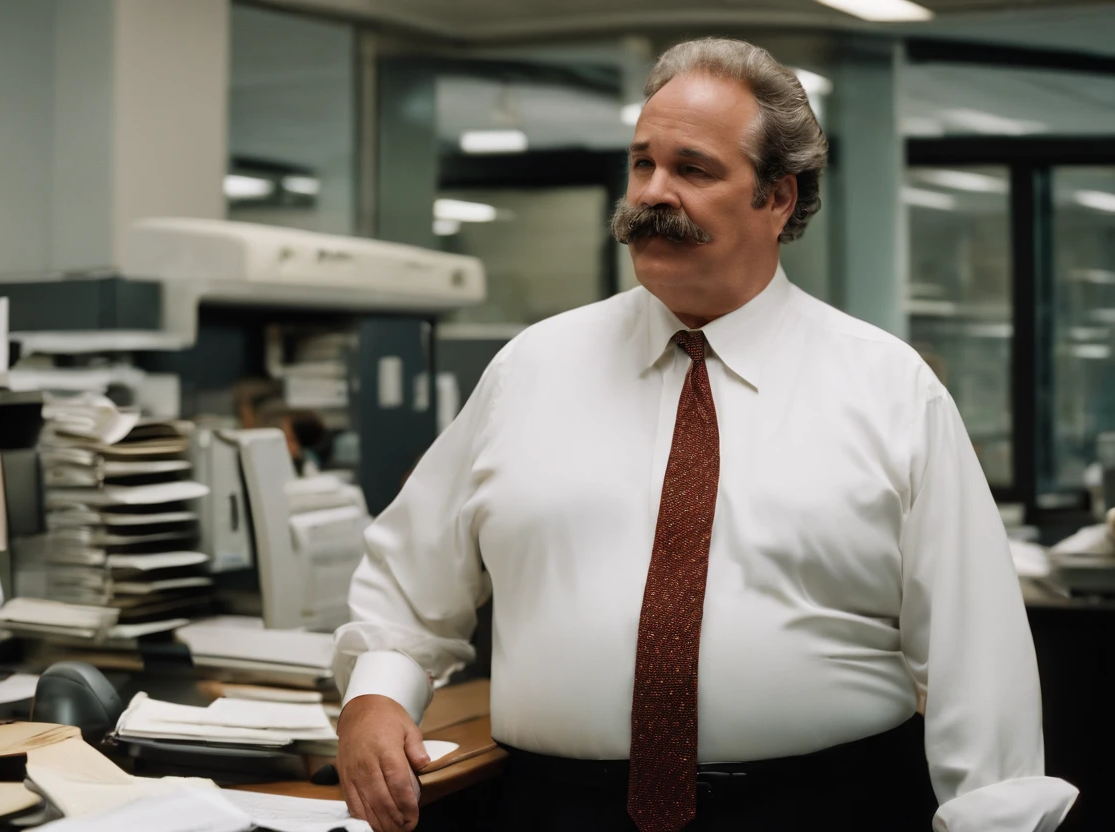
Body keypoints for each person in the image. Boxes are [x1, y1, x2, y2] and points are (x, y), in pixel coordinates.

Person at [332, 37, 1078, 832]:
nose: (653, 192)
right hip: (555, 811)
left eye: (692, 169)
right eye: (641, 162)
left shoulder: (889, 389)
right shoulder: (531, 371)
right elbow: (410, 582)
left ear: (779, 198)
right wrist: (375, 694)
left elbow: (977, 656)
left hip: (826, 807)